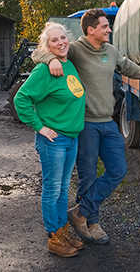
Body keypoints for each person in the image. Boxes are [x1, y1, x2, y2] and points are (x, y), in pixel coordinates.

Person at [32, 9, 140, 244]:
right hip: (85, 124)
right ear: (90, 30)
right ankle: (92, 224)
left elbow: (127, 67)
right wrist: (51, 59)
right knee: (87, 176)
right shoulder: (75, 48)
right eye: (105, 26)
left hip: (108, 122)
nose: (109, 30)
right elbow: (38, 54)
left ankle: (80, 212)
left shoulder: (111, 51)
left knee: (118, 169)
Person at [14, 23, 86, 258]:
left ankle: (62, 231)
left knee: (63, 188)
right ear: (47, 46)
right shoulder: (44, 71)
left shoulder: (68, 64)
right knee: (53, 188)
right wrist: (40, 127)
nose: (61, 43)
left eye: (63, 38)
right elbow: (21, 99)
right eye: (54, 40)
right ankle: (53, 238)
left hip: (71, 138)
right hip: (54, 140)